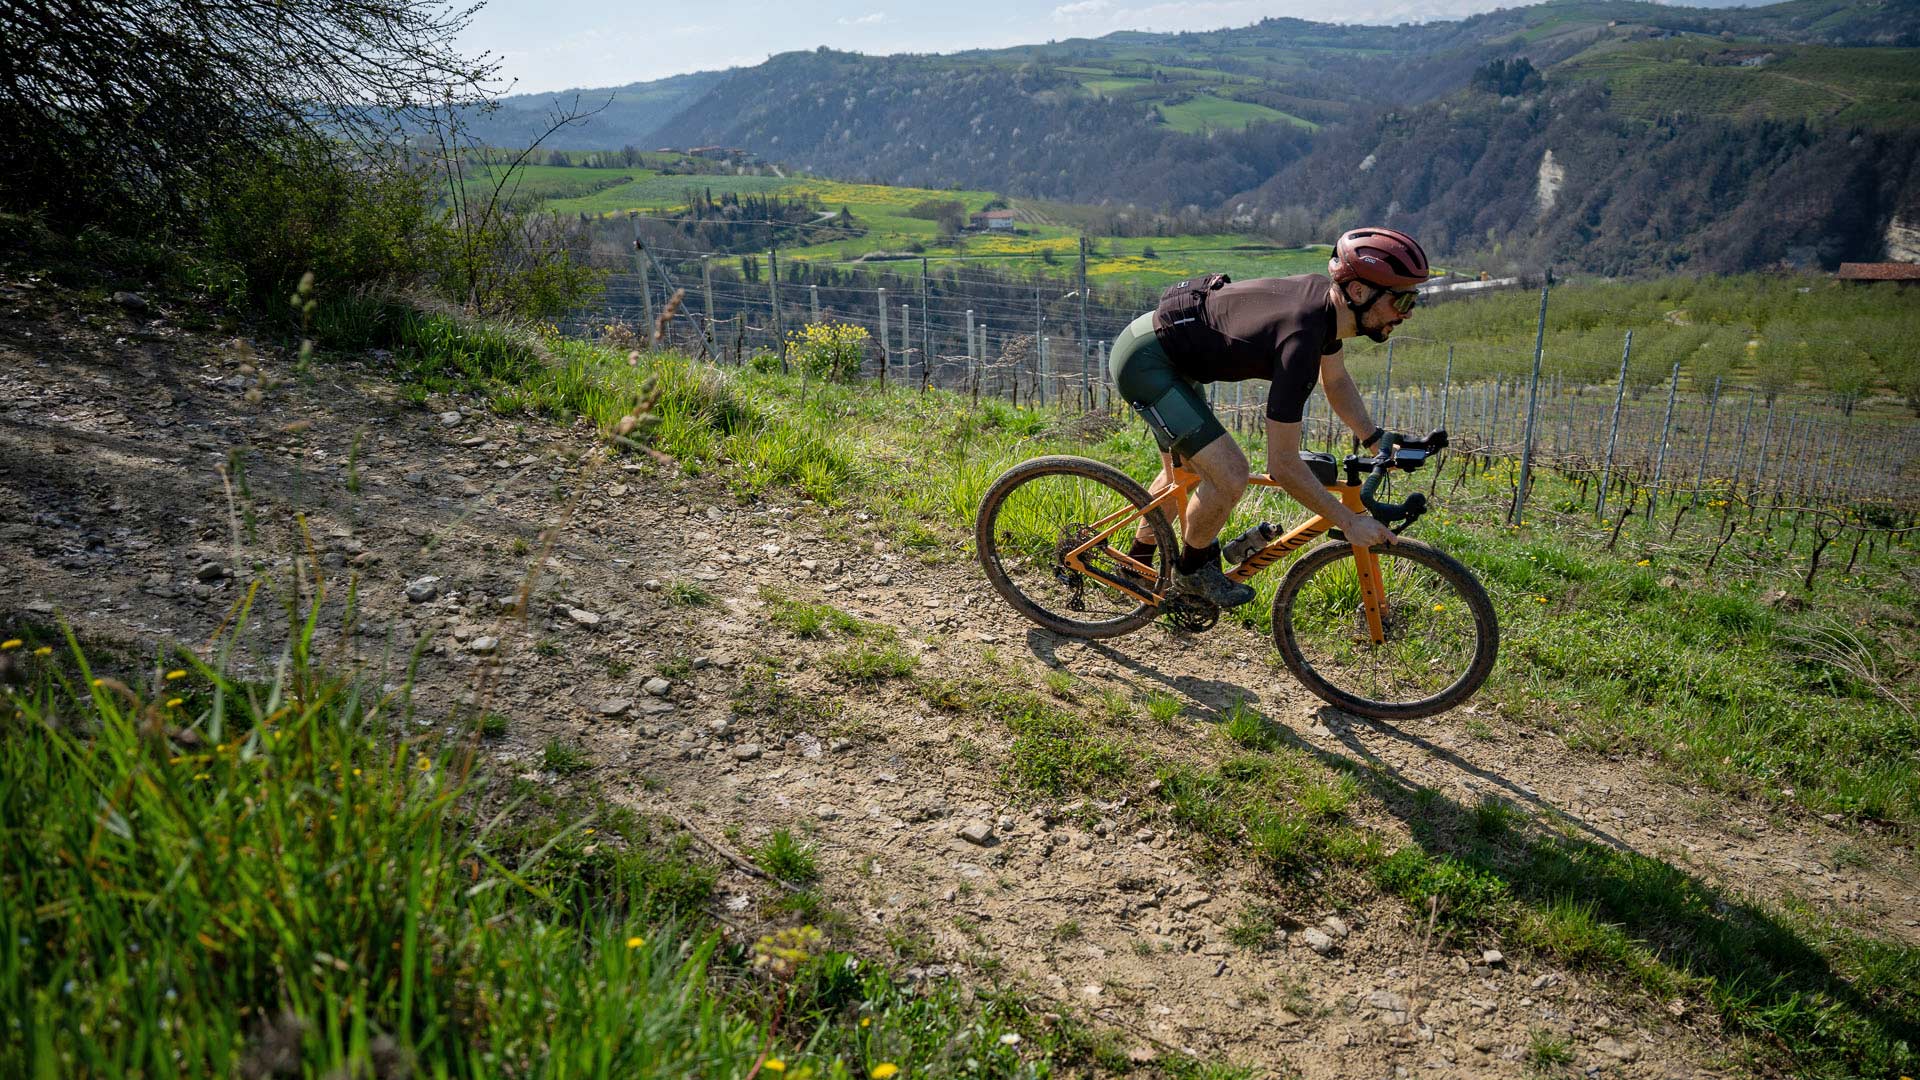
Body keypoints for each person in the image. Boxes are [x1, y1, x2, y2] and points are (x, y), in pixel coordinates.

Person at [1108, 227, 1430, 608]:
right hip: (1146, 363)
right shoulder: (1301, 340)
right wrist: (1348, 521)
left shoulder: (1326, 309)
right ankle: (1191, 573)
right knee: (1230, 473)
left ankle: (1133, 566)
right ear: (1359, 291)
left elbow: (1336, 380)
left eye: (1412, 300)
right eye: (1402, 301)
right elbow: (1283, 465)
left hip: (1167, 350)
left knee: (1190, 471)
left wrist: (1374, 438)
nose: (1407, 313)